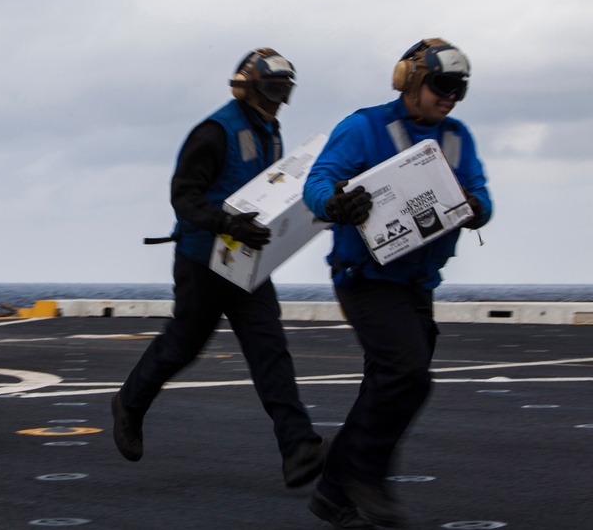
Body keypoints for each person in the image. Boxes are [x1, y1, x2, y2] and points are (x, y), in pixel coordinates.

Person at [112, 48, 328, 489]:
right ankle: (129, 404)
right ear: (246, 86)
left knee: (271, 351)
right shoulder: (214, 132)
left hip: (248, 263)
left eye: (283, 92)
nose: (276, 101)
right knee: (182, 346)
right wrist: (226, 224)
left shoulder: (272, 132)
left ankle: (298, 448)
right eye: (270, 90)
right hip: (201, 262)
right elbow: (183, 196)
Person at [303, 38, 492, 529]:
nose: (451, 96)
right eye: (442, 85)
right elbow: (319, 181)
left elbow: (482, 192)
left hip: (418, 283)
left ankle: (332, 492)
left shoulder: (457, 137)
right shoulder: (364, 128)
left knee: (391, 386)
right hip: (366, 278)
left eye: (459, 88)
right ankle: (369, 476)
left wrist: (476, 208)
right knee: (407, 373)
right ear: (410, 80)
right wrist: (337, 203)